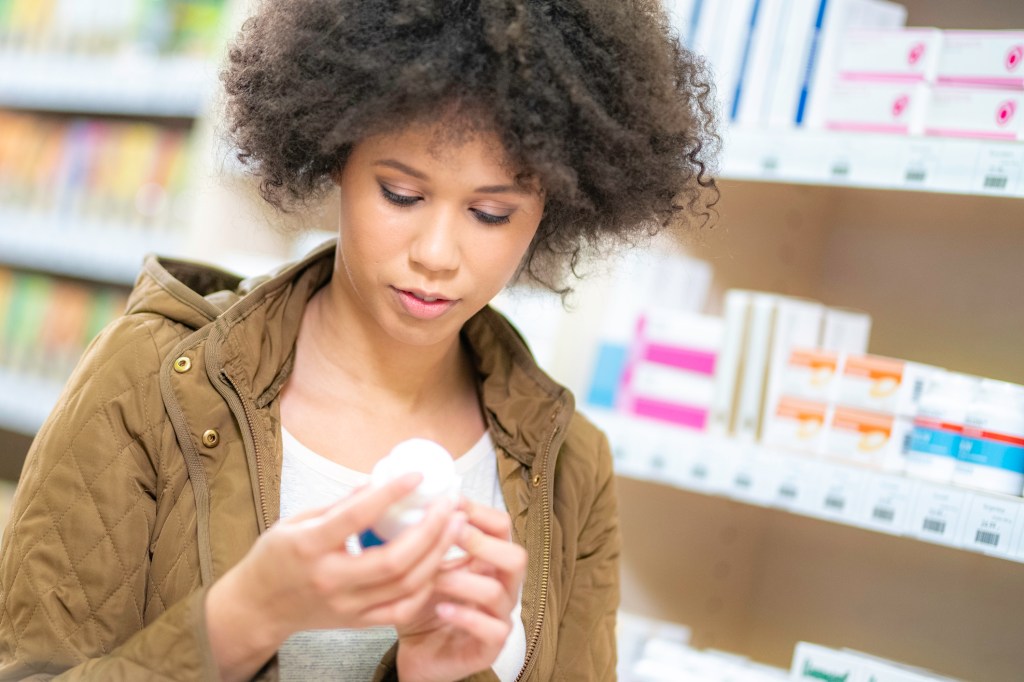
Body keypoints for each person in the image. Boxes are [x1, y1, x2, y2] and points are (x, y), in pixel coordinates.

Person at [0, 0, 716, 679]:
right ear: (337, 152)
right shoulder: (150, 377)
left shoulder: (569, 469)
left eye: (492, 213)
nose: (437, 253)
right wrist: (243, 619)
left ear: (554, 206)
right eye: (401, 194)